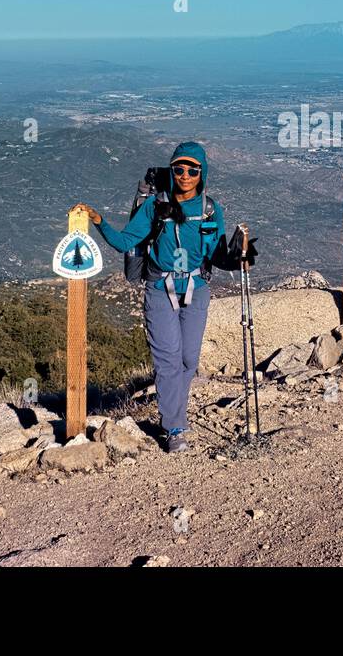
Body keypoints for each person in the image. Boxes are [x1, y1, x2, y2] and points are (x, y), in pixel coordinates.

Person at [76, 141, 255, 453]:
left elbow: (216, 253)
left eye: (192, 170)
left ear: (202, 173)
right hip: (159, 289)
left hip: (197, 289)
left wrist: (242, 257)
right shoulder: (154, 207)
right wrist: (99, 221)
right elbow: (124, 242)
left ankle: (175, 412)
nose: (185, 175)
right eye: (179, 169)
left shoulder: (210, 210)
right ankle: (173, 426)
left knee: (189, 360)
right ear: (171, 171)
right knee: (168, 361)